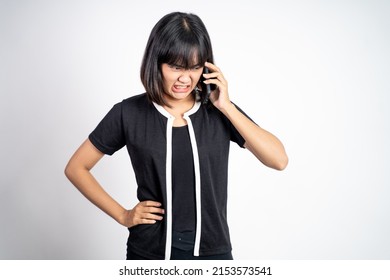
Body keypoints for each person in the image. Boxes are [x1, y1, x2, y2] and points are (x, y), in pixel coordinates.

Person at [65, 11, 288, 260]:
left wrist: (226, 107)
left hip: (213, 252)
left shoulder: (218, 110)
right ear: (156, 62)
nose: (185, 78)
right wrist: (123, 215)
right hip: (149, 255)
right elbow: (76, 167)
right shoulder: (127, 113)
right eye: (175, 67)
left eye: (194, 67)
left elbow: (278, 160)